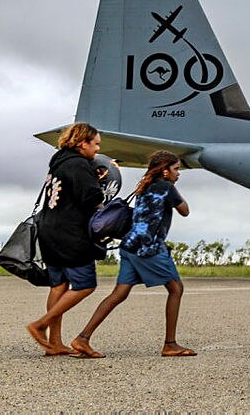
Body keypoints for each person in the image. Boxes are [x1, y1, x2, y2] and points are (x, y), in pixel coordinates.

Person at [70, 150, 194, 358]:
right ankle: (170, 344)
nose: (178, 174)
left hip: (129, 246)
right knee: (176, 288)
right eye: (175, 169)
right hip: (149, 248)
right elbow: (185, 210)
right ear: (165, 171)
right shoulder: (166, 187)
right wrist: (173, 191)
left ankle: (83, 338)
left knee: (119, 293)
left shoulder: (143, 188)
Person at [26, 122, 104, 356]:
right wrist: (101, 182)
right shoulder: (79, 165)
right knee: (86, 284)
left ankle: (54, 343)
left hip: (48, 229)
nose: (98, 150)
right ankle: (40, 325)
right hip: (70, 233)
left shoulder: (59, 162)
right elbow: (91, 198)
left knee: (59, 284)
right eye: (96, 144)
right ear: (83, 143)